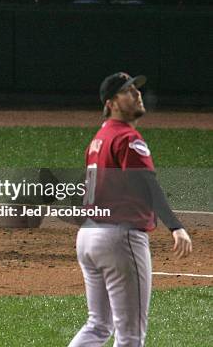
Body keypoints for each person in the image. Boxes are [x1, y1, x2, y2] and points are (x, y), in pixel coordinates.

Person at [69, 72, 193, 346]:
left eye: (136, 89)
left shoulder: (98, 139)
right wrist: (175, 226)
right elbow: (145, 184)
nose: (137, 94)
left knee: (98, 325)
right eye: (128, 91)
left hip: (89, 236)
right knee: (130, 336)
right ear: (111, 102)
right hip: (119, 239)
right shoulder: (127, 138)